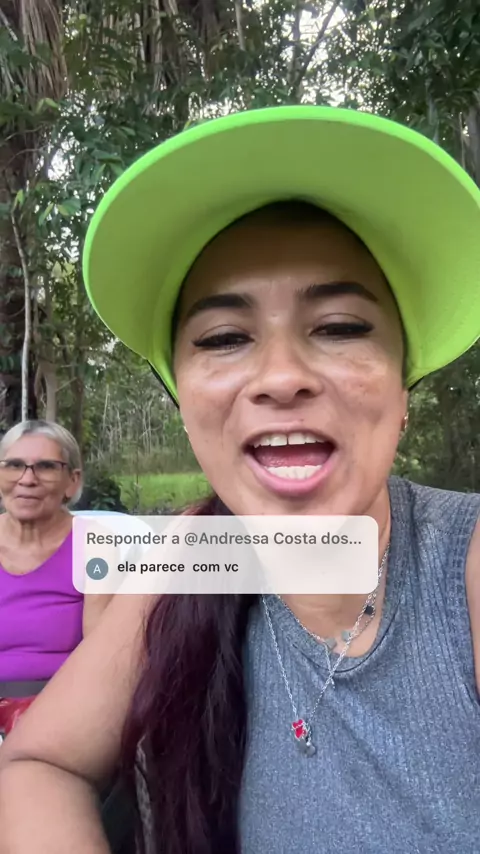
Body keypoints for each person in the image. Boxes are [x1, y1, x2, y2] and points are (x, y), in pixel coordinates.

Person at [0, 106, 479, 854]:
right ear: (186, 408)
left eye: (341, 327)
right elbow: (40, 764)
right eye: (225, 338)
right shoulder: (202, 552)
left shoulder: (463, 565)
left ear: (402, 391)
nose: (282, 376)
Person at [0, 420, 113, 738]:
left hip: (59, 701)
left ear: (72, 482)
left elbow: (101, 653)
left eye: (46, 467)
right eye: (14, 465)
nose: (27, 479)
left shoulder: (95, 544)